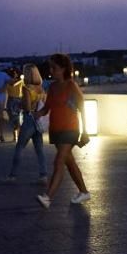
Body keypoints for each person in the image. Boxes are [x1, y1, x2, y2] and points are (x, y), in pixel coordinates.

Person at [35, 53, 91, 208]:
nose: (51, 70)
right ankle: (84, 192)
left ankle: (48, 197)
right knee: (69, 162)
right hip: (56, 130)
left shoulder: (71, 85)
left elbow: (82, 107)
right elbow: (47, 108)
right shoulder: (52, 87)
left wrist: (85, 131)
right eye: (50, 67)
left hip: (70, 129)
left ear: (64, 68)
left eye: (55, 67)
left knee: (59, 161)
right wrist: (38, 113)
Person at [4, 64, 48, 183]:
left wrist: (20, 104)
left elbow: (28, 107)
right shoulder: (41, 88)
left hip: (29, 119)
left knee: (19, 147)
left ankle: (13, 175)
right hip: (38, 120)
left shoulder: (27, 88)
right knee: (39, 149)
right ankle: (43, 175)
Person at [5, 67, 23, 141]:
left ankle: (17, 136)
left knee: (17, 119)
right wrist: (21, 80)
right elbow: (13, 84)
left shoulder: (20, 81)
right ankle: (16, 136)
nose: (15, 74)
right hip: (13, 100)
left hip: (16, 100)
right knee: (14, 119)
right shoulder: (10, 81)